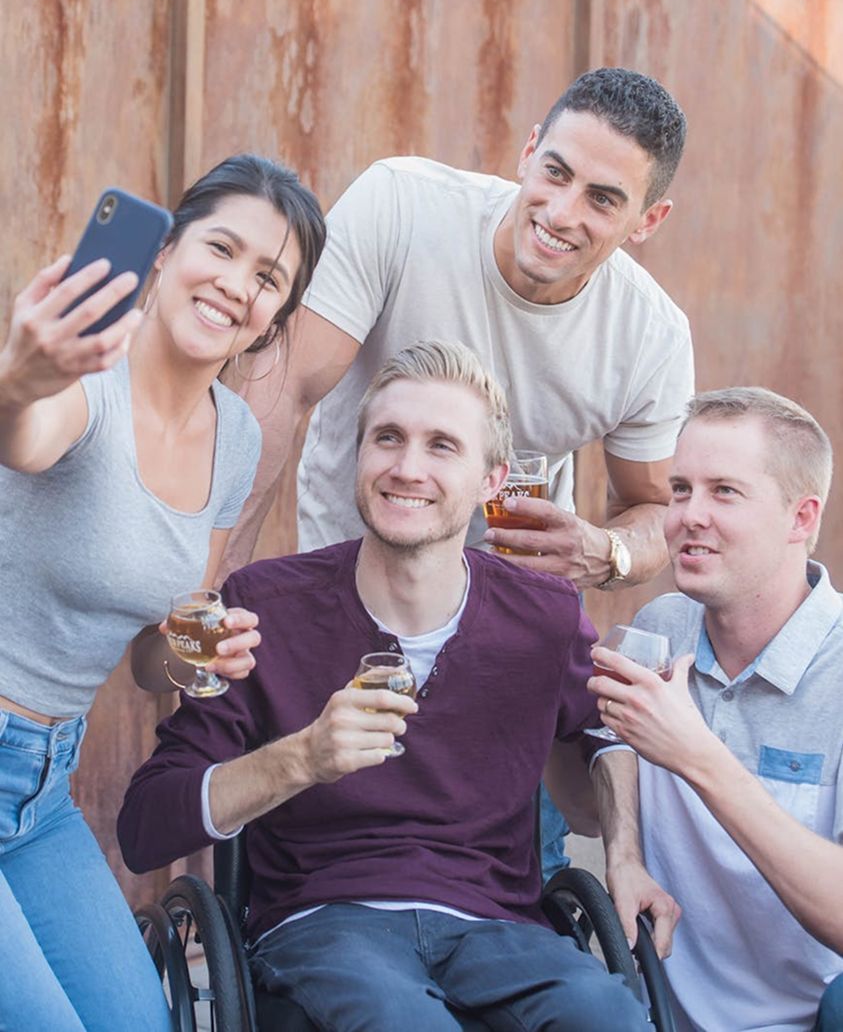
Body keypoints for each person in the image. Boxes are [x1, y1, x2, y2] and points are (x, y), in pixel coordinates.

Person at [118, 340, 649, 1032]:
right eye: (387, 439)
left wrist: (626, 858)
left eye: (441, 447)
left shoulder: (543, 617)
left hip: (497, 928)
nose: (407, 468)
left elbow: (607, 727)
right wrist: (300, 759)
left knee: (606, 1013)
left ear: (492, 480)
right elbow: (145, 825)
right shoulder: (262, 605)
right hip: (324, 926)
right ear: (358, 455)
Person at [0, 154, 325, 1032]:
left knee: (139, 1021)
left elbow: (153, 659)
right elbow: (23, 438)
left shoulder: (235, 442)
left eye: (269, 279)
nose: (235, 285)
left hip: (40, 786)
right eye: (221, 248)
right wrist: (20, 374)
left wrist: (196, 647)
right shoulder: (84, 375)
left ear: (272, 322)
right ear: (165, 249)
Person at [221, 66, 693, 598]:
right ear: (529, 151)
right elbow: (281, 388)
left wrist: (610, 552)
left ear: (648, 220)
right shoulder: (400, 205)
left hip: (513, 606)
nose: (561, 213)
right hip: (347, 582)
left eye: (602, 200)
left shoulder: (653, 336)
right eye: (556, 173)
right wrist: (221, 571)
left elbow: (653, 506)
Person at [590, 387, 843, 1031]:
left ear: (801, 519)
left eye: (724, 491)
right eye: (680, 489)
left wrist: (697, 755)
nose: (688, 516)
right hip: (657, 1016)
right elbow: (611, 739)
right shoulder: (662, 626)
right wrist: (624, 852)